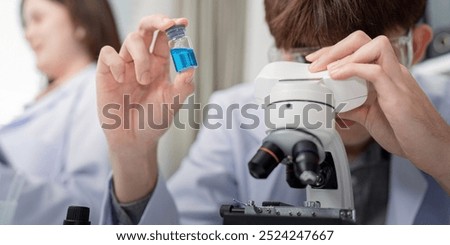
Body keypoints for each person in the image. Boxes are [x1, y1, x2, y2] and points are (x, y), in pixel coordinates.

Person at [97, 0, 450, 225]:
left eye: (357, 63)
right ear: (278, 54)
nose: (331, 88)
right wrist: (133, 157)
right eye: (305, 60)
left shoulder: (443, 123)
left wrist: (442, 157)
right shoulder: (235, 116)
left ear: (415, 47)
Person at [0, 0, 120, 224]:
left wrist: (8, 188)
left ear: (80, 23)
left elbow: (92, 207)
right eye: (26, 24)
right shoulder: (42, 103)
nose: (27, 34)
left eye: (37, 19)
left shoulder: (96, 90)